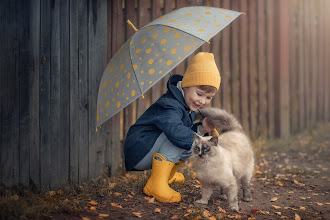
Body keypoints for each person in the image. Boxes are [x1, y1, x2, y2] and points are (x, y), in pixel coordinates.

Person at [124, 52, 221, 203]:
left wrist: (202, 129)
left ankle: (166, 175)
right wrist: (199, 140)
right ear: (186, 86)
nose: (202, 101)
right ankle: (156, 184)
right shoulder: (169, 105)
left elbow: (185, 132)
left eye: (208, 97)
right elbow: (175, 131)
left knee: (188, 138)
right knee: (181, 137)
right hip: (140, 148)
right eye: (199, 94)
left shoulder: (186, 106)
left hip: (150, 146)